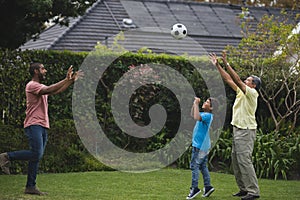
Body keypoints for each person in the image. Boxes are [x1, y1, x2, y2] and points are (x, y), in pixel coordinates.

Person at [0, 63, 82, 195]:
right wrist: (66, 79)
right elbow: (49, 89)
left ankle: (30, 187)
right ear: (35, 71)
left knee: (36, 156)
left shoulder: (41, 86)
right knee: (36, 153)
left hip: (43, 125)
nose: (46, 70)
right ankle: (6, 157)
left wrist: (70, 81)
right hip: (34, 124)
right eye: (43, 69)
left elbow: (56, 90)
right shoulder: (31, 85)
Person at [209, 52, 261, 200]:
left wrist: (226, 63)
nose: (245, 80)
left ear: (253, 85)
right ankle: (244, 189)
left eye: (248, 80)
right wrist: (218, 65)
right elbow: (228, 79)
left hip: (246, 130)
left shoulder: (251, 93)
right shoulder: (241, 91)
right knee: (236, 161)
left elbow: (237, 79)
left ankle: (253, 191)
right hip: (237, 128)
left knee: (244, 160)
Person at [186, 97, 216, 199]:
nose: (205, 102)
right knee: (203, 166)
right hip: (203, 146)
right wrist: (194, 104)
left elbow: (196, 117)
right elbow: (193, 114)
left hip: (200, 146)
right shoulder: (204, 114)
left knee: (194, 166)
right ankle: (208, 187)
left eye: (207, 102)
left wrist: (196, 104)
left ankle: (194, 188)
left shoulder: (208, 115)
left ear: (211, 107)